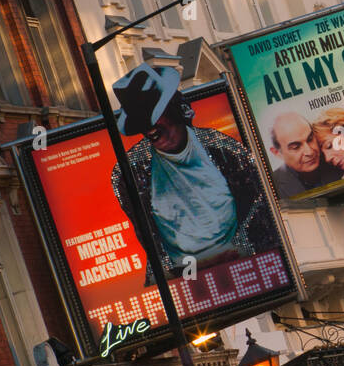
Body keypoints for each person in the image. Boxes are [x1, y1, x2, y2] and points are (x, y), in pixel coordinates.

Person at [109, 64, 279, 282]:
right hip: (183, 282)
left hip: (243, 268)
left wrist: (242, 257)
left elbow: (262, 215)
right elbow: (148, 239)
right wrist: (179, 273)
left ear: (176, 110)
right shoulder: (128, 171)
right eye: (140, 119)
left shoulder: (226, 150)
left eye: (153, 112)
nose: (148, 126)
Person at [270, 112, 344, 198]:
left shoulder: (338, 160)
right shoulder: (272, 188)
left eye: (310, 139)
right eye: (296, 147)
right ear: (277, 153)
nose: (309, 152)